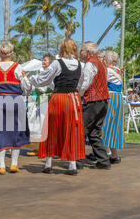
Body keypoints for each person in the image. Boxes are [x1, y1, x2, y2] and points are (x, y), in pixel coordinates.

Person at [29, 39, 85, 176]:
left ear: (62, 48)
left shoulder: (57, 63)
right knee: (72, 130)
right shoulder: (80, 64)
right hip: (74, 99)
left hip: (59, 98)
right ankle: (72, 165)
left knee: (52, 129)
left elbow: (43, 79)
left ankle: (48, 164)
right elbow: (82, 84)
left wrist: (30, 79)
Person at [0, 41, 32, 175]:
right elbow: (27, 87)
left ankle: (1, 165)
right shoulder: (18, 67)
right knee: (16, 131)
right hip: (15, 100)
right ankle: (14, 164)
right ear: (11, 52)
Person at [78, 42, 111, 170]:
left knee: (81, 131)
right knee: (94, 133)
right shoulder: (101, 63)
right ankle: (103, 160)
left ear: (87, 52)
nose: (80, 53)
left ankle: (77, 161)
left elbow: (86, 82)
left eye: (81, 50)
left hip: (93, 101)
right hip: (103, 101)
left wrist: (78, 94)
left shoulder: (90, 64)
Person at [27, 53, 54, 157]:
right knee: (36, 124)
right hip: (38, 100)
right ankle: (37, 148)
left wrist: (35, 83)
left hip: (47, 100)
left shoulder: (52, 73)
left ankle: (46, 148)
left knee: (44, 124)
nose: (43, 62)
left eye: (46, 60)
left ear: (51, 62)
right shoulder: (40, 72)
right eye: (43, 60)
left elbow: (44, 87)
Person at [102, 51, 125, 165]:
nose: (103, 60)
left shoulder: (107, 70)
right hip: (118, 98)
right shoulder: (117, 70)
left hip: (111, 97)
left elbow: (101, 83)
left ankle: (105, 153)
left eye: (104, 58)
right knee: (114, 126)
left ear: (109, 60)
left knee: (106, 124)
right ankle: (114, 154)